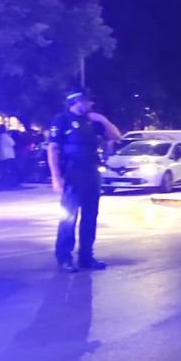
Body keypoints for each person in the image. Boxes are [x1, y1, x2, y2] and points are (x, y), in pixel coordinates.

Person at [48, 91, 122, 272]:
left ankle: (86, 257)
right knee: (68, 217)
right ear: (78, 102)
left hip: (91, 174)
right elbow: (52, 149)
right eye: (89, 102)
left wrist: (103, 120)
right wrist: (56, 178)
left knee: (90, 217)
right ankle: (64, 257)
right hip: (72, 175)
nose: (91, 105)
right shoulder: (62, 120)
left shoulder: (91, 121)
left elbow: (116, 136)